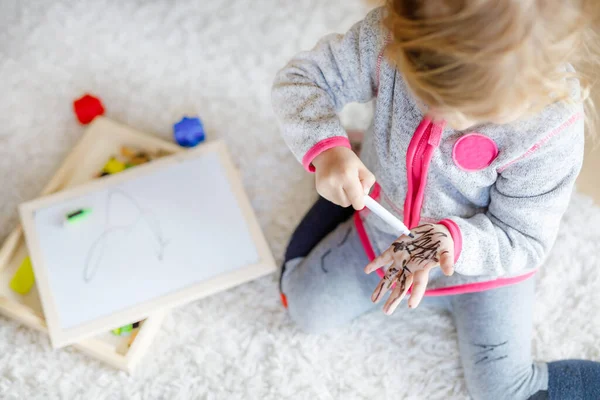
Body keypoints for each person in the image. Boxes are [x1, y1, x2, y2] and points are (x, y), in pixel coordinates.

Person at [271, 1, 600, 399]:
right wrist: (326, 151)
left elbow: (523, 239)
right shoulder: (389, 37)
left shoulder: (551, 129)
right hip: (384, 229)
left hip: (485, 269)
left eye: (473, 110)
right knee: (303, 307)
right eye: (425, 92)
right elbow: (302, 79)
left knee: (505, 391)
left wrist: (450, 242)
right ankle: (346, 181)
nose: (443, 117)